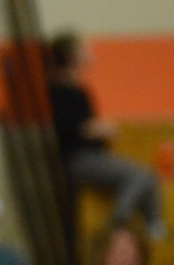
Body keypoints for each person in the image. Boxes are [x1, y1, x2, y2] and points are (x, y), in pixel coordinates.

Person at [47, 32, 166, 241]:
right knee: (140, 176)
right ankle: (118, 224)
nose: (89, 54)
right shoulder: (59, 90)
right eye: (83, 49)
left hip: (94, 156)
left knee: (149, 177)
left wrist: (99, 130)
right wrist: (96, 129)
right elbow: (67, 130)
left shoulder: (80, 89)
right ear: (70, 56)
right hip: (78, 160)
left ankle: (153, 225)